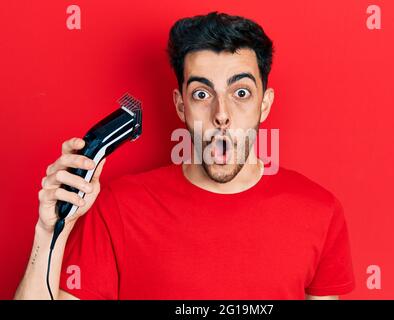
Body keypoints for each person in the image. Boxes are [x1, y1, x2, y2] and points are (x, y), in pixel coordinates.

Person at [14, 11, 354, 300]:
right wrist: (48, 231)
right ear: (181, 105)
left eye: (241, 92)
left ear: (264, 105)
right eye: (202, 93)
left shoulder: (320, 212)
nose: (221, 114)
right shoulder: (117, 208)